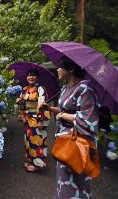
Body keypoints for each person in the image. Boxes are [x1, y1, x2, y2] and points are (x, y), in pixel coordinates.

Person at [40, 57, 99, 198]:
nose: (57, 70)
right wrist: (50, 108)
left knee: (76, 174)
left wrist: (62, 115)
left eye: (60, 67)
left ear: (71, 69)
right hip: (64, 138)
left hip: (77, 139)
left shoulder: (84, 89)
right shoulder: (66, 88)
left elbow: (87, 119)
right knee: (63, 175)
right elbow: (62, 109)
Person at [16, 69, 51, 172]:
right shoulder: (24, 89)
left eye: (33, 75)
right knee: (28, 141)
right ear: (26, 77)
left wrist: (41, 120)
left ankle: (38, 164)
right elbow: (22, 104)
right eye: (29, 75)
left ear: (37, 77)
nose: (31, 77)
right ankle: (30, 160)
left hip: (37, 118)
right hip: (27, 119)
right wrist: (21, 109)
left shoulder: (40, 89)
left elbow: (42, 104)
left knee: (38, 141)